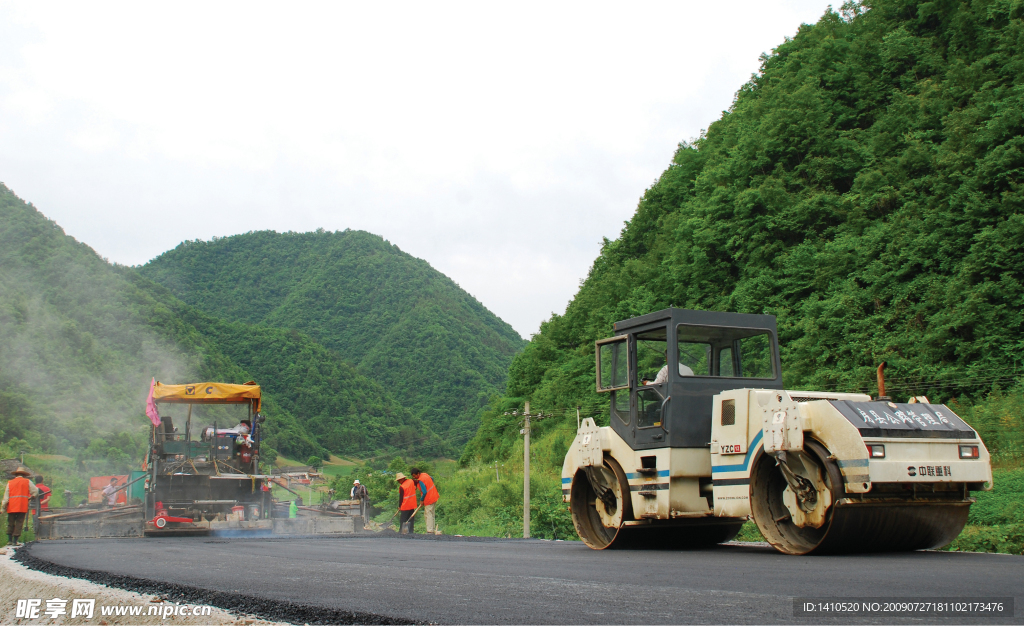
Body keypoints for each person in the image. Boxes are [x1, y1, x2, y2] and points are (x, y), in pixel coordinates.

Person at [2, 467, 38, 546]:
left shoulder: (10, 483)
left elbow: (6, 497)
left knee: (10, 522)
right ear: (24, 475)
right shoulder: (27, 482)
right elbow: (35, 491)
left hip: (11, 506)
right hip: (22, 506)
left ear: (16, 474)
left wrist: (3, 507)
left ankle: (10, 540)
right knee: (19, 522)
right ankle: (15, 541)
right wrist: (32, 497)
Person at [411, 468, 440, 535]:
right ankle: (432, 529)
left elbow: (424, 492)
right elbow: (432, 478)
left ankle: (430, 531)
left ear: (418, 473)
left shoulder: (421, 480)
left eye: (415, 475)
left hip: (429, 498)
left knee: (428, 514)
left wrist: (421, 500)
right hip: (434, 495)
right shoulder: (425, 474)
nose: (414, 477)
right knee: (432, 513)